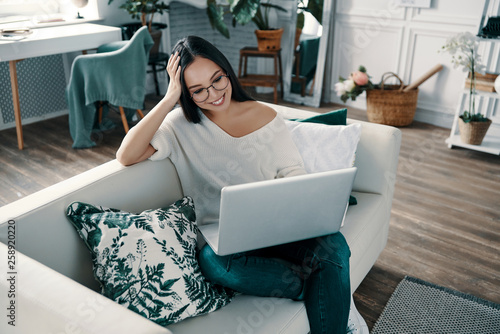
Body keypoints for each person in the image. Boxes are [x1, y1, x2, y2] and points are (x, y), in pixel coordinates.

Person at [116, 35, 368, 334]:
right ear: (185, 91)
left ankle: (324, 293)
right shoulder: (178, 126)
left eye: (217, 80)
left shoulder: (265, 114)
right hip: (226, 238)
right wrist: (169, 97)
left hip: (281, 226)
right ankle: (317, 286)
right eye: (197, 90)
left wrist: (303, 204)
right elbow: (126, 155)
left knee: (334, 246)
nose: (213, 94)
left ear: (226, 70)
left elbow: (291, 170)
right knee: (214, 264)